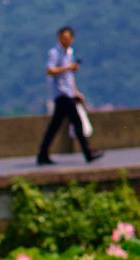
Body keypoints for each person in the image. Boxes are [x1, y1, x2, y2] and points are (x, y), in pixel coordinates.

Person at [36, 26, 103, 165]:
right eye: (61, 38)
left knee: (54, 126)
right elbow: (50, 71)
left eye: (66, 38)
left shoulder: (69, 52)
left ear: (72, 39)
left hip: (68, 93)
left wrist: (76, 92)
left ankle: (42, 153)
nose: (64, 41)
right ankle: (88, 152)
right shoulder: (54, 53)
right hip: (61, 94)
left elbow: (68, 78)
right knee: (77, 123)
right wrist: (68, 68)